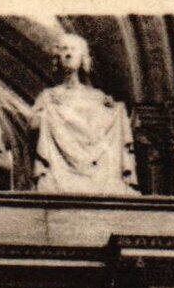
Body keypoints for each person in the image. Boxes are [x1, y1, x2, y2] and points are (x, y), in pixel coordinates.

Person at [30, 32, 138, 195]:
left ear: (83, 57)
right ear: (57, 57)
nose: (68, 54)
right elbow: (33, 126)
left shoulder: (98, 97)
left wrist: (115, 110)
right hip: (59, 172)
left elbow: (112, 123)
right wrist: (46, 114)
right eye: (64, 49)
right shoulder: (48, 96)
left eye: (73, 49)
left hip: (98, 169)